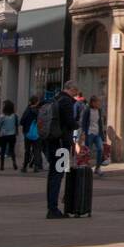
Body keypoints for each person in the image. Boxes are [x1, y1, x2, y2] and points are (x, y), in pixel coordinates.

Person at [44, 80, 81, 218]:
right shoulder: (66, 102)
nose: (76, 96)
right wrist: (77, 124)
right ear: (71, 89)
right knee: (58, 175)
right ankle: (53, 209)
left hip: (53, 141)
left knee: (53, 174)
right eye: (75, 92)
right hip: (62, 143)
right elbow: (70, 122)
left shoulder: (55, 98)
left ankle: (52, 206)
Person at [79, 95, 106, 175]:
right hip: (89, 133)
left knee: (100, 149)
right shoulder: (87, 111)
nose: (99, 104)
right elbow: (84, 122)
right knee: (87, 151)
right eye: (97, 102)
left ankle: (97, 168)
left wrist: (102, 135)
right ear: (93, 102)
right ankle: (86, 167)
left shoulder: (99, 111)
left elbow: (100, 123)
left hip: (97, 133)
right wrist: (84, 133)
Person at [20, 95, 43, 172]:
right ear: (37, 102)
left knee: (27, 150)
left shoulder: (28, 110)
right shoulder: (39, 111)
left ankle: (25, 166)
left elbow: (22, 121)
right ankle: (36, 166)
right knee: (37, 150)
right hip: (37, 133)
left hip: (27, 133)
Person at [0, 100, 19, 170]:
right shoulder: (15, 116)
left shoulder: (3, 116)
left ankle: (2, 165)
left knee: (3, 150)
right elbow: (17, 124)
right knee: (12, 149)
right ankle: (14, 162)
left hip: (4, 135)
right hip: (12, 134)